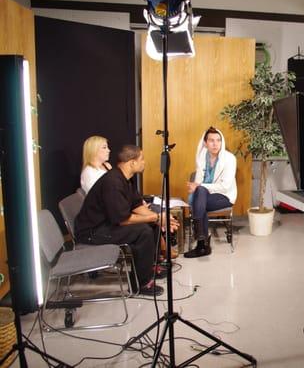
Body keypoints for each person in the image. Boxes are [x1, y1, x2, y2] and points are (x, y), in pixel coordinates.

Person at [74, 145, 179, 296]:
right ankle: (141, 284)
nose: (144, 162)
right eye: (141, 159)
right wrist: (156, 217)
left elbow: (137, 206)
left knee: (150, 224)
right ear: (132, 163)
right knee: (143, 231)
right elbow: (122, 219)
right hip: (92, 231)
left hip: (107, 224)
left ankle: (151, 266)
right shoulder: (113, 183)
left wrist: (159, 219)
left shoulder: (124, 179)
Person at [184, 127, 237, 258]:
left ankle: (201, 241)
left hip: (224, 196)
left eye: (218, 140)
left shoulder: (230, 158)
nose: (215, 144)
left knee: (199, 198)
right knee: (200, 194)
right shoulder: (202, 155)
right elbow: (198, 180)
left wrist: (198, 186)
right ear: (205, 142)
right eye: (211, 140)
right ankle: (203, 243)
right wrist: (196, 187)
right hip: (204, 196)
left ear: (222, 142)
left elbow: (225, 186)